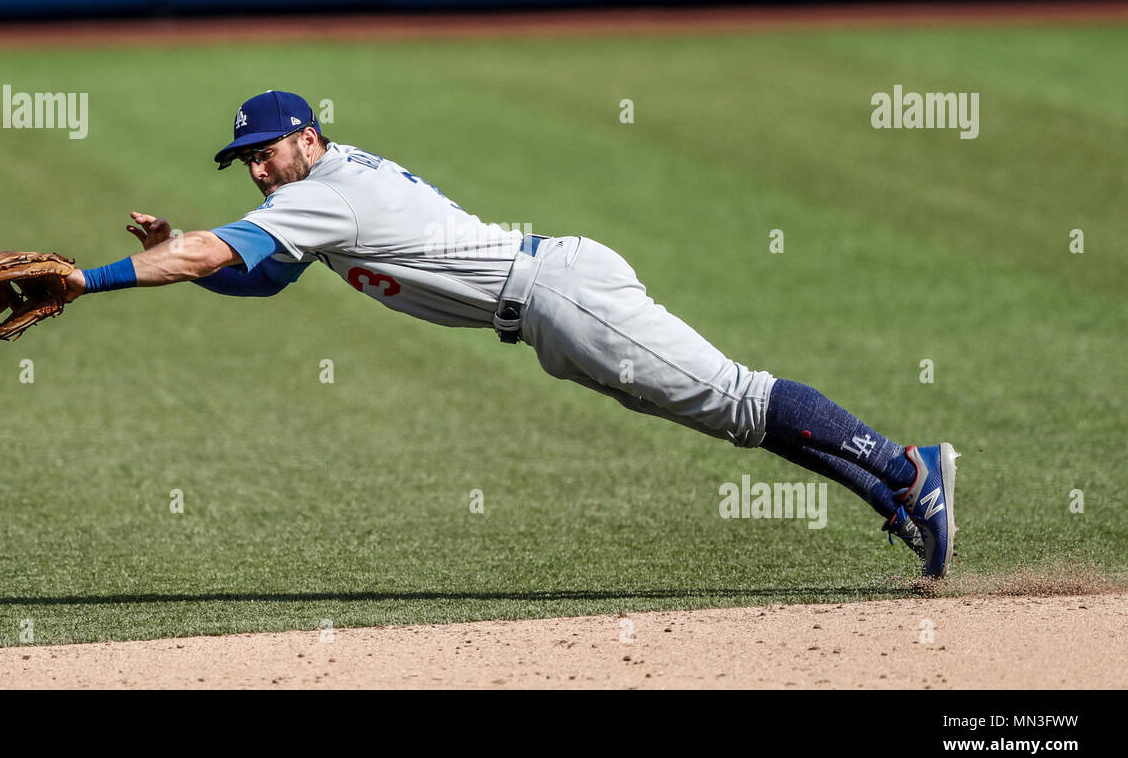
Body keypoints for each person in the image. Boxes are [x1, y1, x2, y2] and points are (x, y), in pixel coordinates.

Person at [64, 90, 958, 577]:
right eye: (245, 159)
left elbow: (220, 251)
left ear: (308, 137)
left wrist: (89, 279)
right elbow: (256, 276)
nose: (257, 168)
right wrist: (185, 253)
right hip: (550, 303)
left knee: (738, 394)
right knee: (733, 415)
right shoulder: (320, 192)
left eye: (266, 151)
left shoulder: (320, 193)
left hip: (559, 297)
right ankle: (896, 495)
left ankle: (911, 468)